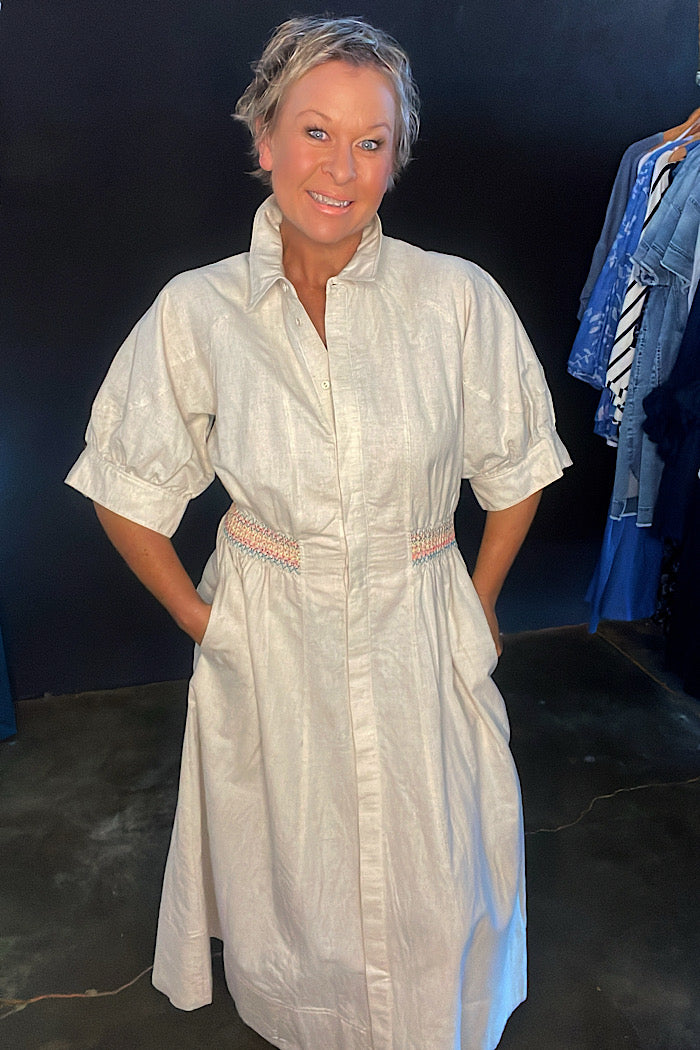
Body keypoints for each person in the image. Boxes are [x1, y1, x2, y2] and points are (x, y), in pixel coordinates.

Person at [66, 15, 570, 1050]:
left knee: (436, 861)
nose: (340, 168)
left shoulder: (456, 301)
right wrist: (203, 620)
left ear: (395, 159)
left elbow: (518, 465)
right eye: (314, 131)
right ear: (263, 139)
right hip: (273, 630)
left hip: (418, 621)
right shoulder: (199, 311)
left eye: (370, 141)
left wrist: (474, 602)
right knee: (293, 864)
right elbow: (124, 481)